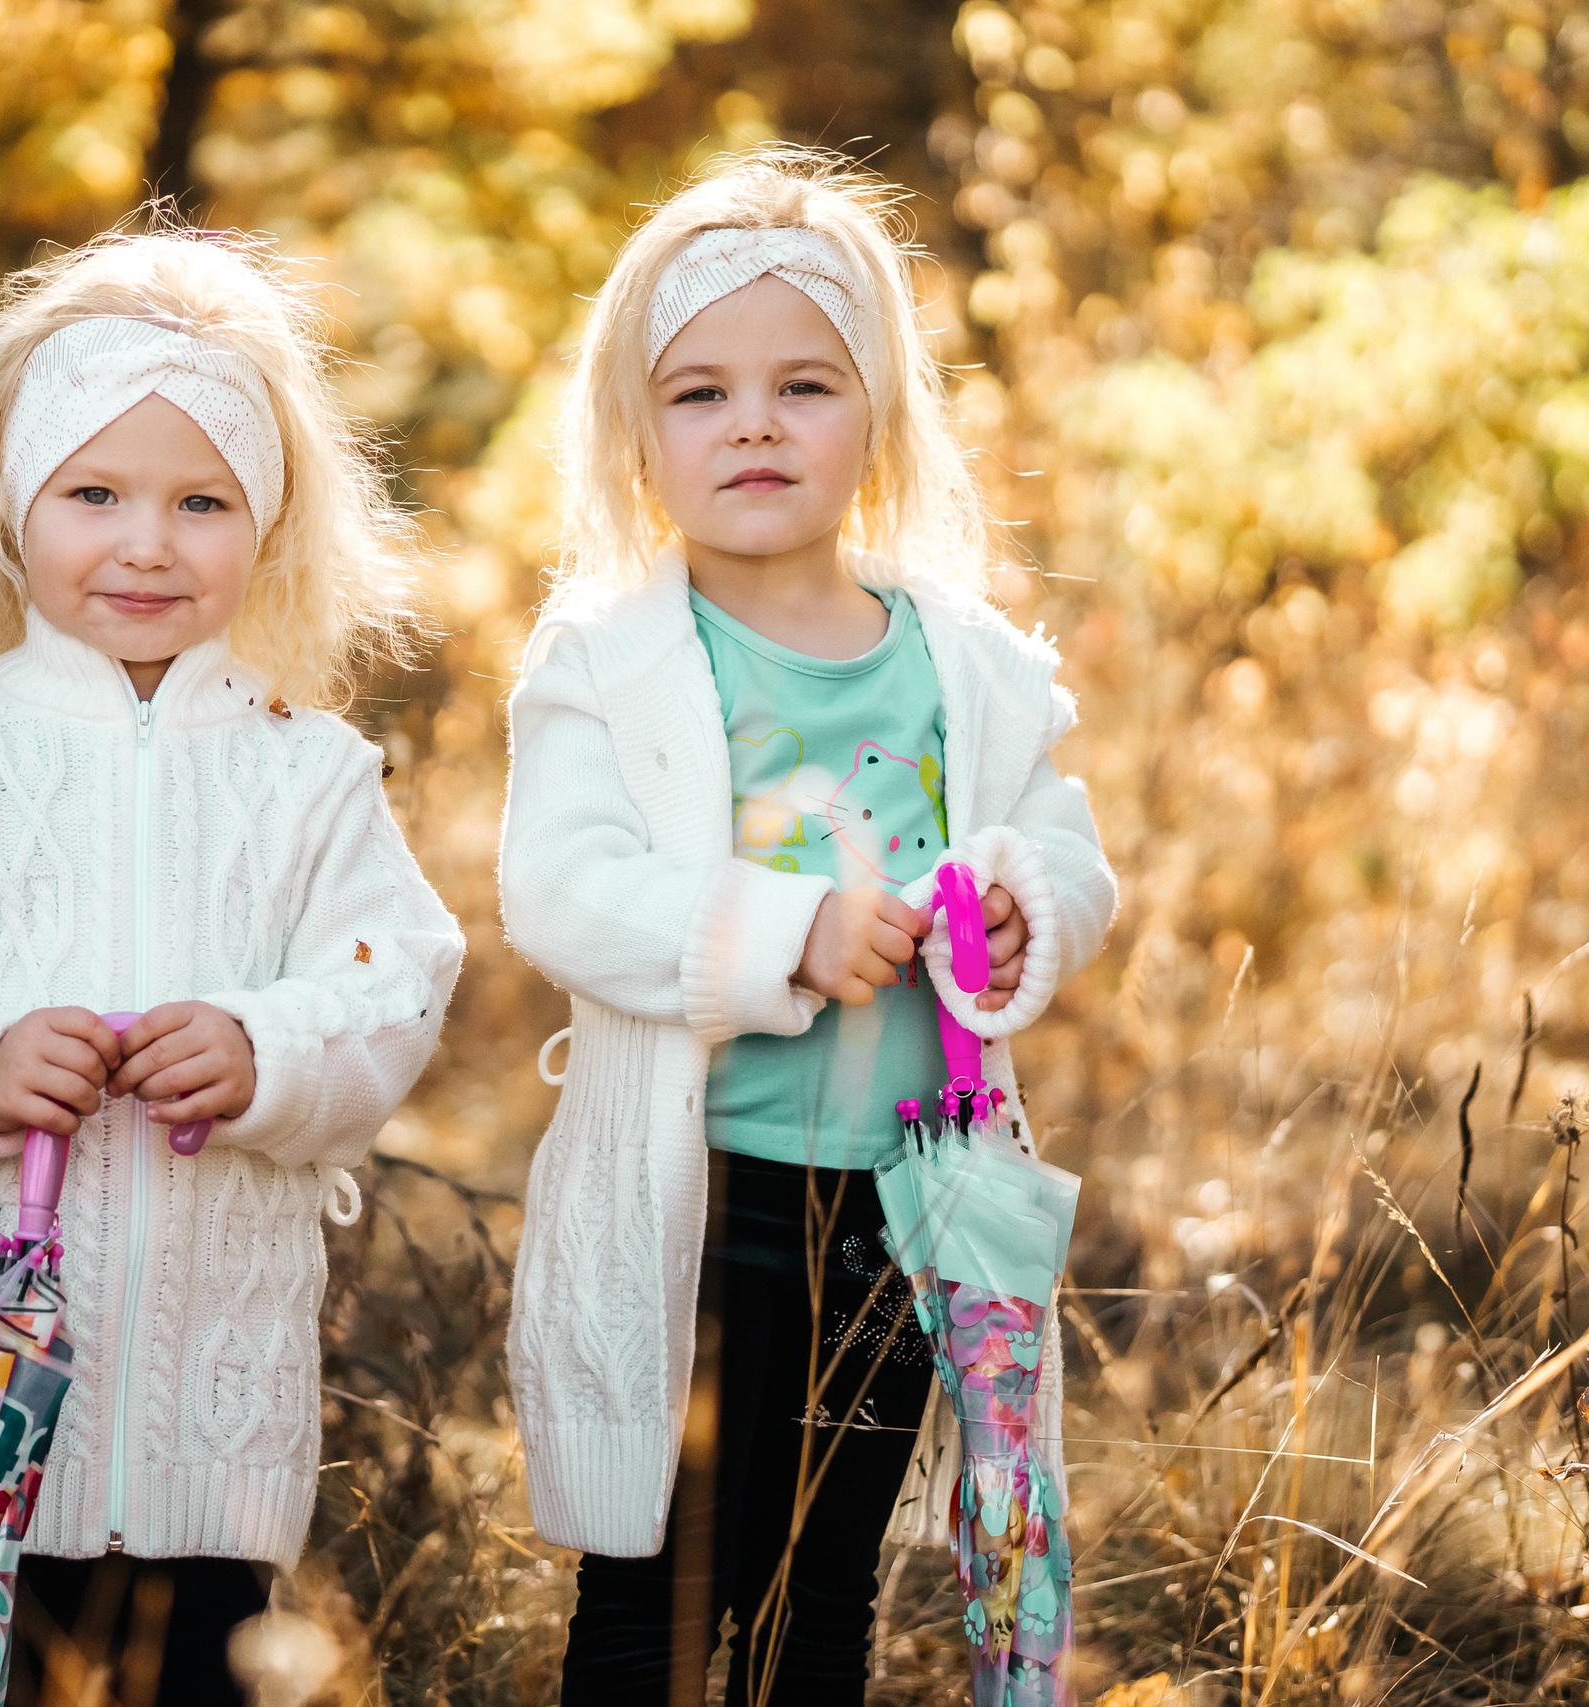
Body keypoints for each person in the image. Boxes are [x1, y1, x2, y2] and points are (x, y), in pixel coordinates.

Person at [0, 229, 464, 1706]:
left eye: (200, 502)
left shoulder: (311, 771)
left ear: (263, 529)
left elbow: (400, 974)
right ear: (18, 516)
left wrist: (269, 1050)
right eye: (95, 495)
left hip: (212, 1436)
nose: (147, 542)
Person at [498, 145, 1117, 1705]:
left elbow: (1064, 852)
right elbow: (560, 888)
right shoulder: (610, 665)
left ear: (883, 419)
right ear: (638, 442)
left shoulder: (968, 664)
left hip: (906, 1202)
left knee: (820, 1598)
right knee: (657, 1592)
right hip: (700, 1198)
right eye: (700, 393)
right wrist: (787, 933)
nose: (755, 423)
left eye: (805, 387)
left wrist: (1021, 920)